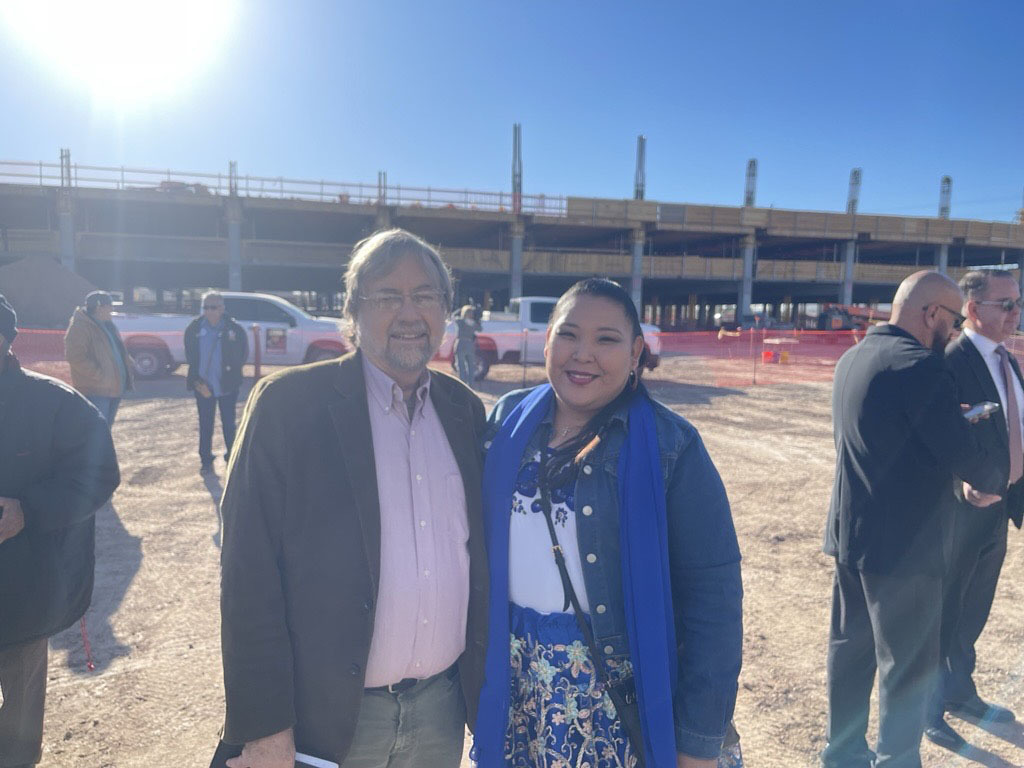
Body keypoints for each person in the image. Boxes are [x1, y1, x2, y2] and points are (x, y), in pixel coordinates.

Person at [216, 229, 488, 768]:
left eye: (425, 295)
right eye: (387, 296)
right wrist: (264, 725)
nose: (409, 313)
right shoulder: (288, 407)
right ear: (352, 311)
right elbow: (247, 573)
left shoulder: (464, 411)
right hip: (330, 718)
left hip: (441, 711)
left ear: (446, 311)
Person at [473, 278, 743, 768]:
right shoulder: (508, 420)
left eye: (607, 339)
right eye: (569, 334)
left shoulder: (672, 446)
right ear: (548, 338)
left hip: (620, 705)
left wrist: (698, 741)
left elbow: (715, 602)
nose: (584, 354)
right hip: (520, 695)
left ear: (636, 351)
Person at [822, 270, 1006, 768]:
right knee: (907, 669)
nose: (951, 331)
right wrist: (994, 465)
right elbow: (975, 465)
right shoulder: (921, 367)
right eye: (950, 319)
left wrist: (950, 418)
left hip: (850, 537)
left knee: (850, 655)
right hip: (905, 550)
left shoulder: (853, 357)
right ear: (931, 315)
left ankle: (842, 755)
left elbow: (889, 438)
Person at [0, 292, 120, 767]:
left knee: (20, 720)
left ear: (7, 340)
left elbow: (98, 474)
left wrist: (28, 511)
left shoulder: (55, 403)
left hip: (23, 593)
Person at [924, 270, 1022, 750]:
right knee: (943, 610)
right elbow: (930, 436)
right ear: (973, 308)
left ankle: (961, 692)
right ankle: (927, 707)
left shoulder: (1009, 361)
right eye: (1005, 304)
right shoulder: (949, 360)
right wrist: (959, 480)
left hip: (998, 508)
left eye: (1017, 303)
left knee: (973, 609)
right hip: (959, 509)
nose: (1015, 313)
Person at [184, 291, 248, 474]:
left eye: (213, 307)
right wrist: (196, 380)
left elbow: (243, 353)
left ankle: (232, 455)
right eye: (206, 307)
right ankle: (205, 457)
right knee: (205, 423)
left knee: (229, 423)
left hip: (227, 385)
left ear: (222, 308)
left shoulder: (233, 329)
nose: (209, 311)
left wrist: (233, 373)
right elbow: (190, 355)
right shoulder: (194, 329)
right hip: (203, 385)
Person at [64, 290, 134, 425]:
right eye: (110, 306)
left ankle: (104, 447)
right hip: (95, 391)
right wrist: (100, 376)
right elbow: (75, 357)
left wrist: (127, 363)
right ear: (98, 307)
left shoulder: (108, 325)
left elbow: (115, 349)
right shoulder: (80, 326)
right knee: (96, 432)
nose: (112, 309)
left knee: (104, 432)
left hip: (112, 389)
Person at [454, 303, 479, 386]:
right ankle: (471, 385)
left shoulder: (460, 321)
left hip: (460, 343)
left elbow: (453, 317)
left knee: (461, 367)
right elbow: (480, 328)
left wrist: (459, 310)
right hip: (470, 344)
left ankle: (462, 385)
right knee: (471, 367)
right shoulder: (474, 323)